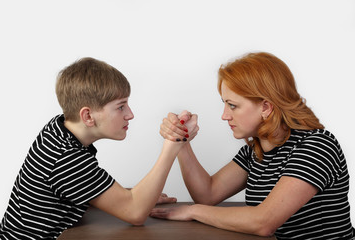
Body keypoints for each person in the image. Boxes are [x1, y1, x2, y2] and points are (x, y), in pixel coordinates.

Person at [150, 52, 355, 239]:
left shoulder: (316, 146)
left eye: (233, 105)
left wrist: (192, 211)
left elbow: (263, 222)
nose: (224, 115)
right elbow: (207, 194)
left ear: (266, 107)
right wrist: (180, 139)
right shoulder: (255, 151)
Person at [0, 57, 190, 239]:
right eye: (121, 106)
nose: (130, 114)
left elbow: (76, 188)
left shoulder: (58, 129)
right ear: (87, 116)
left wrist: (139, 194)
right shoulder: (66, 157)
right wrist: (172, 146)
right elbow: (136, 212)